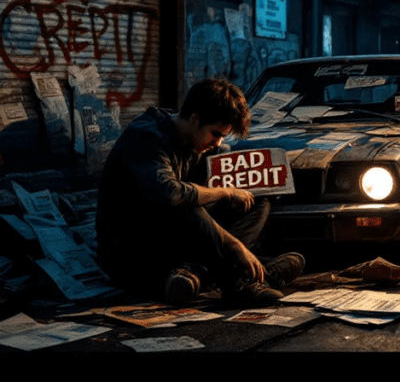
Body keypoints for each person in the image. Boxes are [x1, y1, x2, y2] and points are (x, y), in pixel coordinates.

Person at [96, 77, 304, 306]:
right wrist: (233, 240)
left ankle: (194, 273)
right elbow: (170, 194)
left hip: (171, 240)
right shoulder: (147, 136)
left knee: (255, 201)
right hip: (133, 251)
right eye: (215, 133)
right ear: (195, 118)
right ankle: (241, 281)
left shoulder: (191, 139)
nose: (217, 142)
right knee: (186, 202)